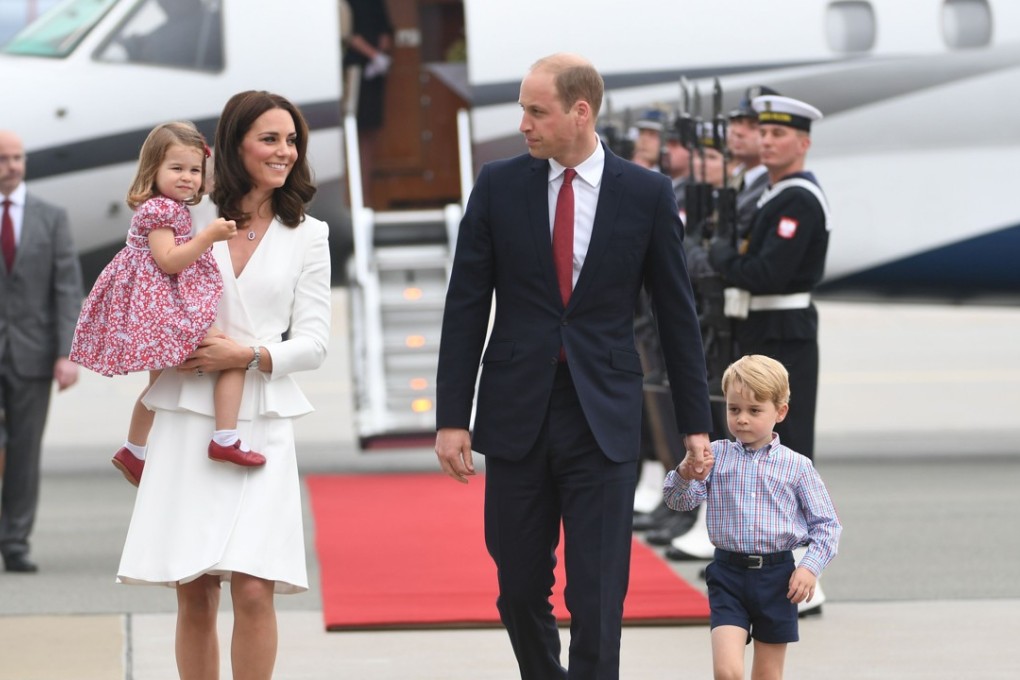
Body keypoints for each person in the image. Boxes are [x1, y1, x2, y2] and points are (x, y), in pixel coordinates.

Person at [434, 53, 713, 680]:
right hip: (516, 414)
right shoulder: (499, 184)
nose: (525, 124)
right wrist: (453, 416)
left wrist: (696, 425)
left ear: (580, 112)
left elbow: (677, 316)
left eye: (537, 111)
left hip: (603, 418)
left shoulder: (644, 194)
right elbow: (466, 304)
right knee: (517, 587)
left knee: (597, 594)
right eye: (524, 111)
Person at [115, 91, 331, 678]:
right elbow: (141, 286)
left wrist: (250, 353)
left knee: (256, 589)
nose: (283, 151)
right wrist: (166, 345)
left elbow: (314, 342)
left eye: (291, 141)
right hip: (186, 416)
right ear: (236, 144)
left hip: (259, 420)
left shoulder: (309, 235)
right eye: (270, 138)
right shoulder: (184, 209)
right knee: (195, 588)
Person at [70, 121, 266, 488]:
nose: (187, 178)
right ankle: (225, 439)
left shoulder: (171, 206)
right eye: (176, 169)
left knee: (159, 385)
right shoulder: (159, 210)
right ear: (153, 169)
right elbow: (169, 261)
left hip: (158, 301)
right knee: (233, 356)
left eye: (194, 170)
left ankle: (135, 450)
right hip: (161, 306)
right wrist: (208, 237)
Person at [663, 354, 841, 679]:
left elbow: (827, 526)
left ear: (780, 412)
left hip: (778, 578)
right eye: (734, 409)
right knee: (727, 672)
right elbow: (678, 501)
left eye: (754, 410)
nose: (742, 419)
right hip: (727, 575)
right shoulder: (716, 457)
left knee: (767, 675)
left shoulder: (797, 467)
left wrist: (809, 568)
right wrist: (685, 474)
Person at [709, 94, 830, 460]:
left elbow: (767, 274)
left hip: (783, 332)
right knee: (756, 447)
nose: (766, 141)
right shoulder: (775, 194)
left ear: (803, 143)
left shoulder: (798, 199)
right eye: (764, 132)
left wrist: (722, 256)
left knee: (784, 445)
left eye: (778, 133)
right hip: (764, 327)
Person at [0, 129, 84, 573]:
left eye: (17, 158)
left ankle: (14, 542)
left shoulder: (51, 218)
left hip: (32, 355)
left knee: (24, 450)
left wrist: (66, 353)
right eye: (3, 159)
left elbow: (67, 289)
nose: (12, 166)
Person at [343, 0, 395, 198]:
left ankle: (364, 194)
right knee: (352, 131)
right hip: (354, 71)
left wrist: (380, 54)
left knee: (370, 133)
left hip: (374, 73)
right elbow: (348, 34)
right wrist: (374, 55)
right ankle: (352, 195)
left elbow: (386, 31)